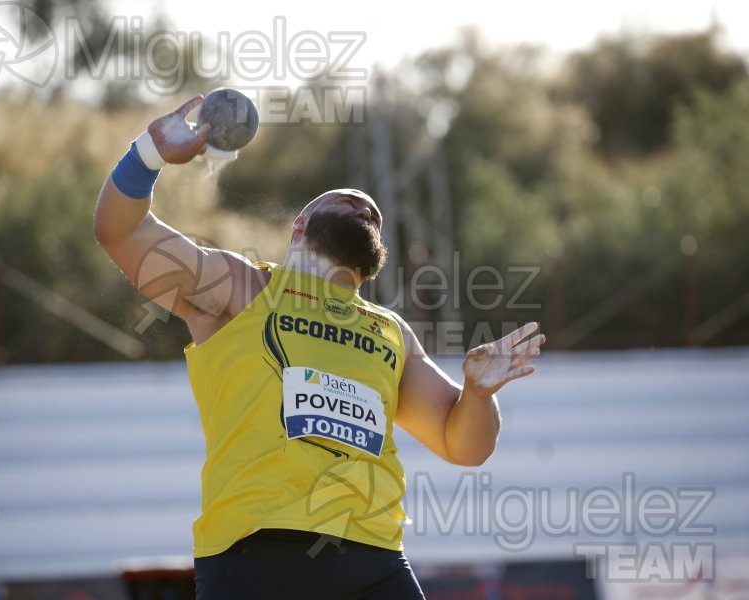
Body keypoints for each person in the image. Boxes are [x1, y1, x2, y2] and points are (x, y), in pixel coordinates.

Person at [94, 94, 545, 599]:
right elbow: (121, 232)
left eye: (372, 215)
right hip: (255, 553)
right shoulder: (242, 288)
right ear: (301, 225)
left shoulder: (390, 331)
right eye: (346, 202)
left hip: (373, 557)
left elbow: (463, 445)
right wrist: (147, 156)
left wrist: (478, 396)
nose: (364, 208)